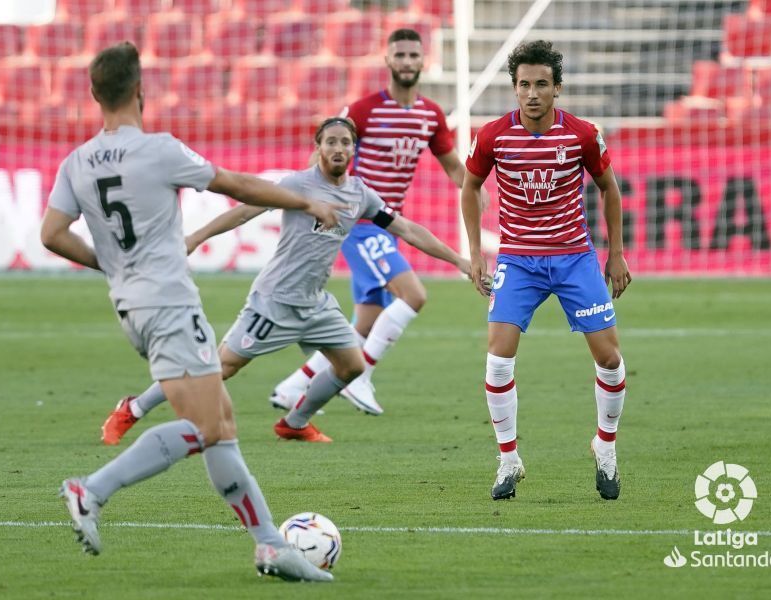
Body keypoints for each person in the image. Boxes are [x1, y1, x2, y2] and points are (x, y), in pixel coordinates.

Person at [41, 42, 336, 581]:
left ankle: (270, 544)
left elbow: (52, 235)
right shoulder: (158, 149)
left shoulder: (76, 162)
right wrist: (303, 200)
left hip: (132, 306)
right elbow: (233, 184)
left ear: (94, 94)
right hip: (170, 303)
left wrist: (109, 264)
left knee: (220, 424)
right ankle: (92, 490)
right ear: (139, 91)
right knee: (202, 427)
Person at [102, 116, 471, 445]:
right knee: (217, 369)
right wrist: (196, 238)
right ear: (318, 148)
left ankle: (295, 423)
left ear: (354, 149)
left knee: (352, 366)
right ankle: (133, 407)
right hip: (274, 301)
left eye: (346, 142)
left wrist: (459, 260)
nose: (339, 148)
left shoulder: (360, 195)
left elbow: (408, 229)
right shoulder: (296, 184)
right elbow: (245, 212)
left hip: (315, 303)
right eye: (331, 142)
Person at [268, 28, 488, 417]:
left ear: (424, 61)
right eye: (399, 55)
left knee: (366, 322)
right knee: (413, 295)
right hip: (360, 221)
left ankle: (294, 387)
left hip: (388, 221)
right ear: (388, 60)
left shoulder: (430, 115)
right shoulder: (364, 109)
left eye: (413, 56)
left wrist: (473, 187)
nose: (406, 62)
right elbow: (324, 156)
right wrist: (307, 198)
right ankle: (359, 376)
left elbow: (453, 165)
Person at [460, 40, 632, 502]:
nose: (531, 93)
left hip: (575, 258)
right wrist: (477, 254)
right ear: (513, 89)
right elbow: (470, 186)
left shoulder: (580, 133)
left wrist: (615, 254)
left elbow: (609, 189)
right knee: (497, 359)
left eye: (541, 84)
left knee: (611, 360)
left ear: (557, 88)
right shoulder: (493, 135)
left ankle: (606, 446)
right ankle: (508, 460)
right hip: (517, 260)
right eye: (523, 85)